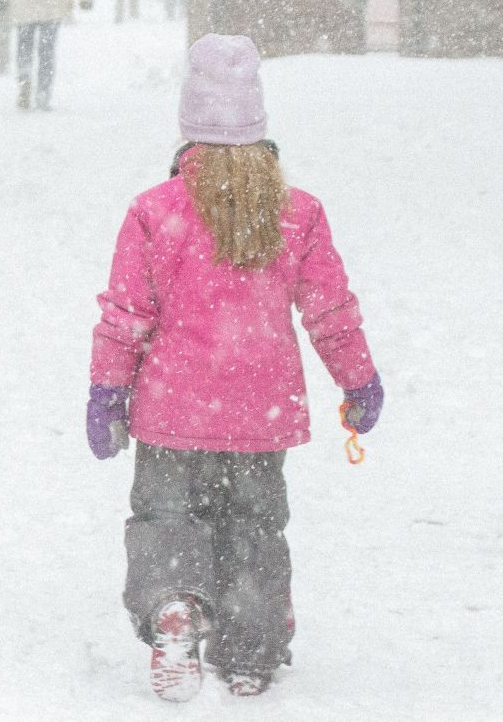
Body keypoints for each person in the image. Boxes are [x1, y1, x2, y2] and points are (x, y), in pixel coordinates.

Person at [86, 34, 384, 702]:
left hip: (170, 411)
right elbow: (329, 308)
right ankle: (249, 651)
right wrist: (357, 378)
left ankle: (173, 604)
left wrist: (107, 392)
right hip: (261, 410)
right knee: (253, 528)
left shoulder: (155, 211)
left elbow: (124, 315)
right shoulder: (295, 212)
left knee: (167, 518)